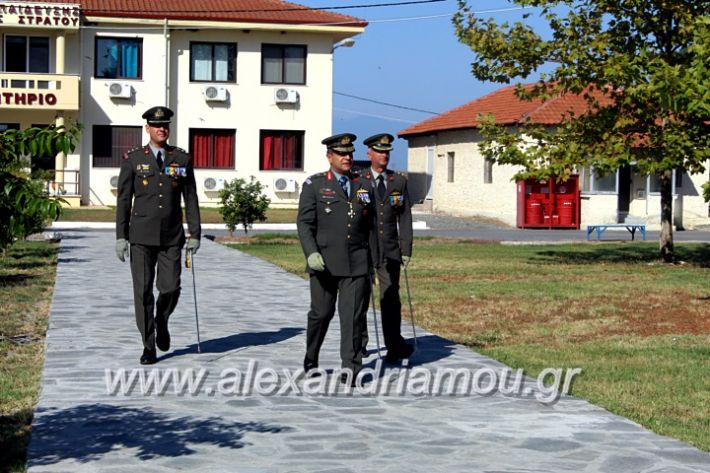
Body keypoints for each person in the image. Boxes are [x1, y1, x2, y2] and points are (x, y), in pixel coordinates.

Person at [115, 106, 201, 365]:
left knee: (170, 288)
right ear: (148, 129)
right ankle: (149, 345)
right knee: (142, 292)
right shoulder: (133, 159)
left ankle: (162, 319)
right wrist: (121, 236)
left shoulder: (181, 159)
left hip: (171, 237)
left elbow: (191, 198)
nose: (161, 129)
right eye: (156, 125)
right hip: (140, 237)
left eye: (165, 125)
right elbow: (123, 200)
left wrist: (194, 233)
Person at [297, 133, 377, 384]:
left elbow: (371, 225)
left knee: (352, 316)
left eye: (350, 153)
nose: (347, 158)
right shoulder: (315, 185)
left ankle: (351, 368)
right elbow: (305, 223)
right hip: (325, 262)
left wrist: (374, 262)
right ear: (329, 156)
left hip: (356, 262)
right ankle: (311, 356)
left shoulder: (363, 184)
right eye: (341, 154)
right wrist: (311, 253)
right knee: (321, 313)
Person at [361, 133, 414, 362]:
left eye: (387, 152)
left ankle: (394, 344)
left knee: (391, 297)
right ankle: (359, 344)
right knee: (360, 298)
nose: (384, 155)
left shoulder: (398, 182)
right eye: (379, 151)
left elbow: (404, 217)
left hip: (390, 249)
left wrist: (406, 247)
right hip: (363, 248)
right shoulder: (358, 180)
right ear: (369, 154)